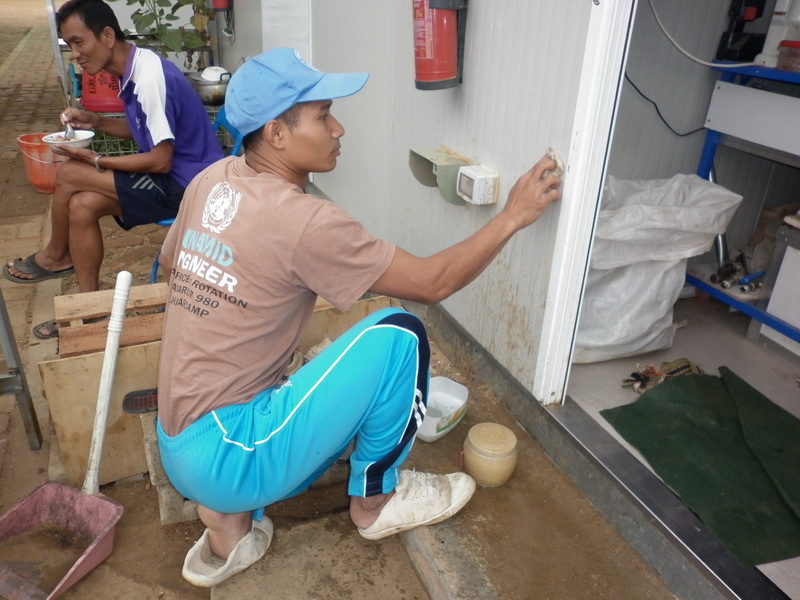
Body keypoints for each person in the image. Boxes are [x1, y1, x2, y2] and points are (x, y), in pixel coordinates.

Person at [155, 47, 562, 588]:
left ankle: (227, 525)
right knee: (401, 334)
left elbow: (170, 271)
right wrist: (512, 216)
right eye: (323, 116)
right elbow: (432, 284)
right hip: (234, 452)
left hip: (178, 441)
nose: (338, 128)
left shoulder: (213, 180)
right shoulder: (305, 222)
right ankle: (376, 502)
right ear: (276, 133)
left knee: (301, 368)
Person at [2, 0, 224, 339]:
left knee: (71, 174)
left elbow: (160, 159)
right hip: (172, 174)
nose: (75, 53)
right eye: (69, 45)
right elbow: (145, 133)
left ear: (107, 36)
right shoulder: (134, 68)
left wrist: (95, 160)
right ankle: (89, 309)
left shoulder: (149, 78)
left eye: (79, 42)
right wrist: (96, 121)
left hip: (188, 185)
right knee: (81, 205)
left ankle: (55, 257)